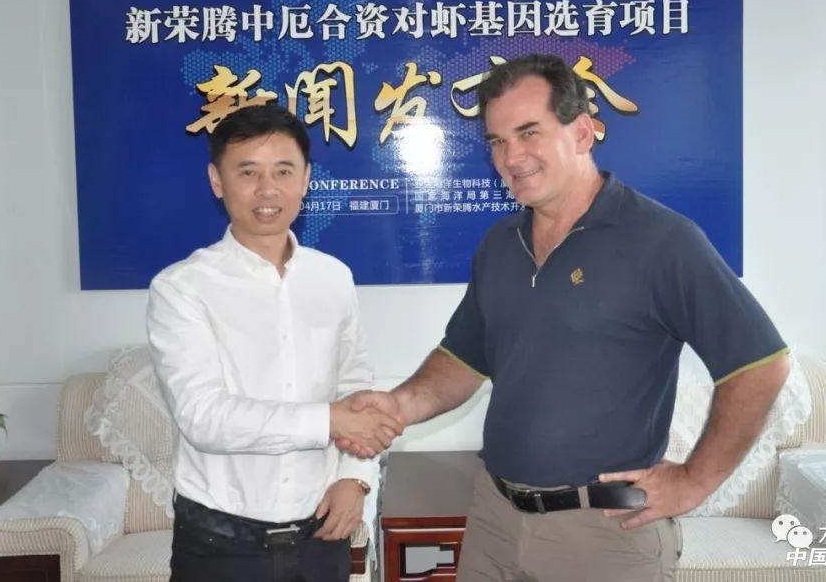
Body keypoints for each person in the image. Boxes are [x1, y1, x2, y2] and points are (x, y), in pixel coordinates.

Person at [339, 53, 790, 581]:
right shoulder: (500, 244)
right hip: (495, 520)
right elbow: (463, 358)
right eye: (497, 140)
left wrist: (695, 480)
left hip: (603, 533)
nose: (512, 156)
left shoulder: (660, 241)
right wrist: (397, 405)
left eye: (529, 133)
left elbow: (761, 365)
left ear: (581, 132)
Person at [147, 104, 403, 582]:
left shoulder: (333, 277)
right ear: (217, 180)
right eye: (248, 172)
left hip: (320, 538)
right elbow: (204, 416)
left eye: (283, 171)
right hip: (220, 546)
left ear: (306, 179)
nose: (267, 190)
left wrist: (354, 478)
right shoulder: (181, 288)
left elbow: (355, 384)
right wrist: (330, 420)